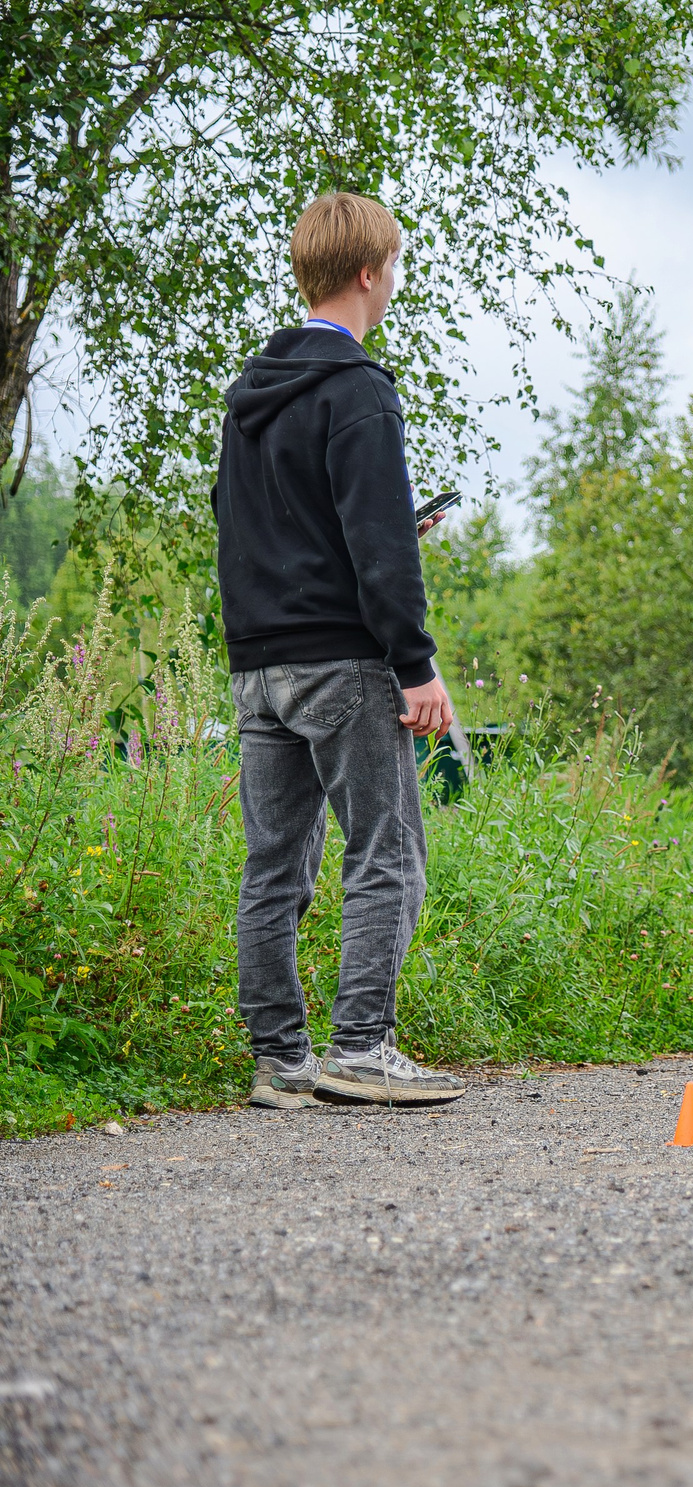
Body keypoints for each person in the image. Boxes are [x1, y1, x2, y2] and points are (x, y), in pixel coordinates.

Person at [214, 192, 461, 1109]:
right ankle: (362, 1047)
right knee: (385, 852)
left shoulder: (250, 397)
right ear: (368, 271)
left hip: (257, 667)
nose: (393, 282)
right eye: (392, 266)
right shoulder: (359, 391)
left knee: (273, 866)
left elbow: (241, 525)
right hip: (344, 665)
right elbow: (380, 545)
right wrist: (416, 662)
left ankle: (280, 1063)